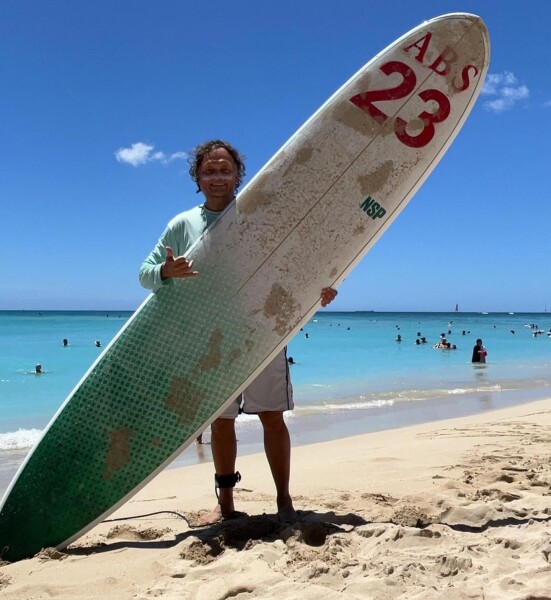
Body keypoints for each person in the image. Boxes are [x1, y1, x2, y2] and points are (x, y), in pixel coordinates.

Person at [139, 139, 337, 524]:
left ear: (238, 175)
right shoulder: (182, 225)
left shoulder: (259, 216)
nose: (217, 176)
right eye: (209, 170)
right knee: (221, 420)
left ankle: (284, 499)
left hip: (261, 328)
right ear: (197, 177)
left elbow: (293, 265)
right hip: (209, 336)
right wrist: (166, 271)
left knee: (272, 416)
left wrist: (320, 289)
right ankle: (226, 503)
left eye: (224, 169)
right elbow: (144, 273)